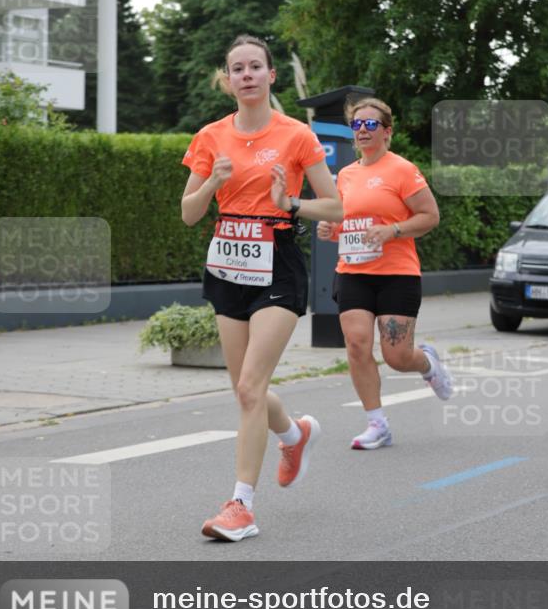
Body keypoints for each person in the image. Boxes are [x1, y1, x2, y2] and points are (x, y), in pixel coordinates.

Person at [181, 34, 343, 540]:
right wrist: (212, 181)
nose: (247, 74)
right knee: (245, 390)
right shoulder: (210, 136)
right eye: (237, 68)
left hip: (277, 261)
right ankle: (295, 435)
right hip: (228, 263)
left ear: (271, 77)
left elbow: (335, 206)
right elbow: (189, 214)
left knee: (251, 387)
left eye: (256, 67)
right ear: (227, 80)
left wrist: (289, 202)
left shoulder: (296, 135)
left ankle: (241, 507)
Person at [317, 97, 453, 449]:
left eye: (371, 124)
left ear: (387, 131)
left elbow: (430, 216)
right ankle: (377, 424)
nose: (362, 130)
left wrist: (392, 231)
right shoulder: (345, 174)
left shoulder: (403, 170)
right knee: (357, 344)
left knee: (397, 357)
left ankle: (427, 364)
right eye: (357, 125)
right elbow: (346, 222)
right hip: (352, 271)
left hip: (396, 273)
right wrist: (331, 230)